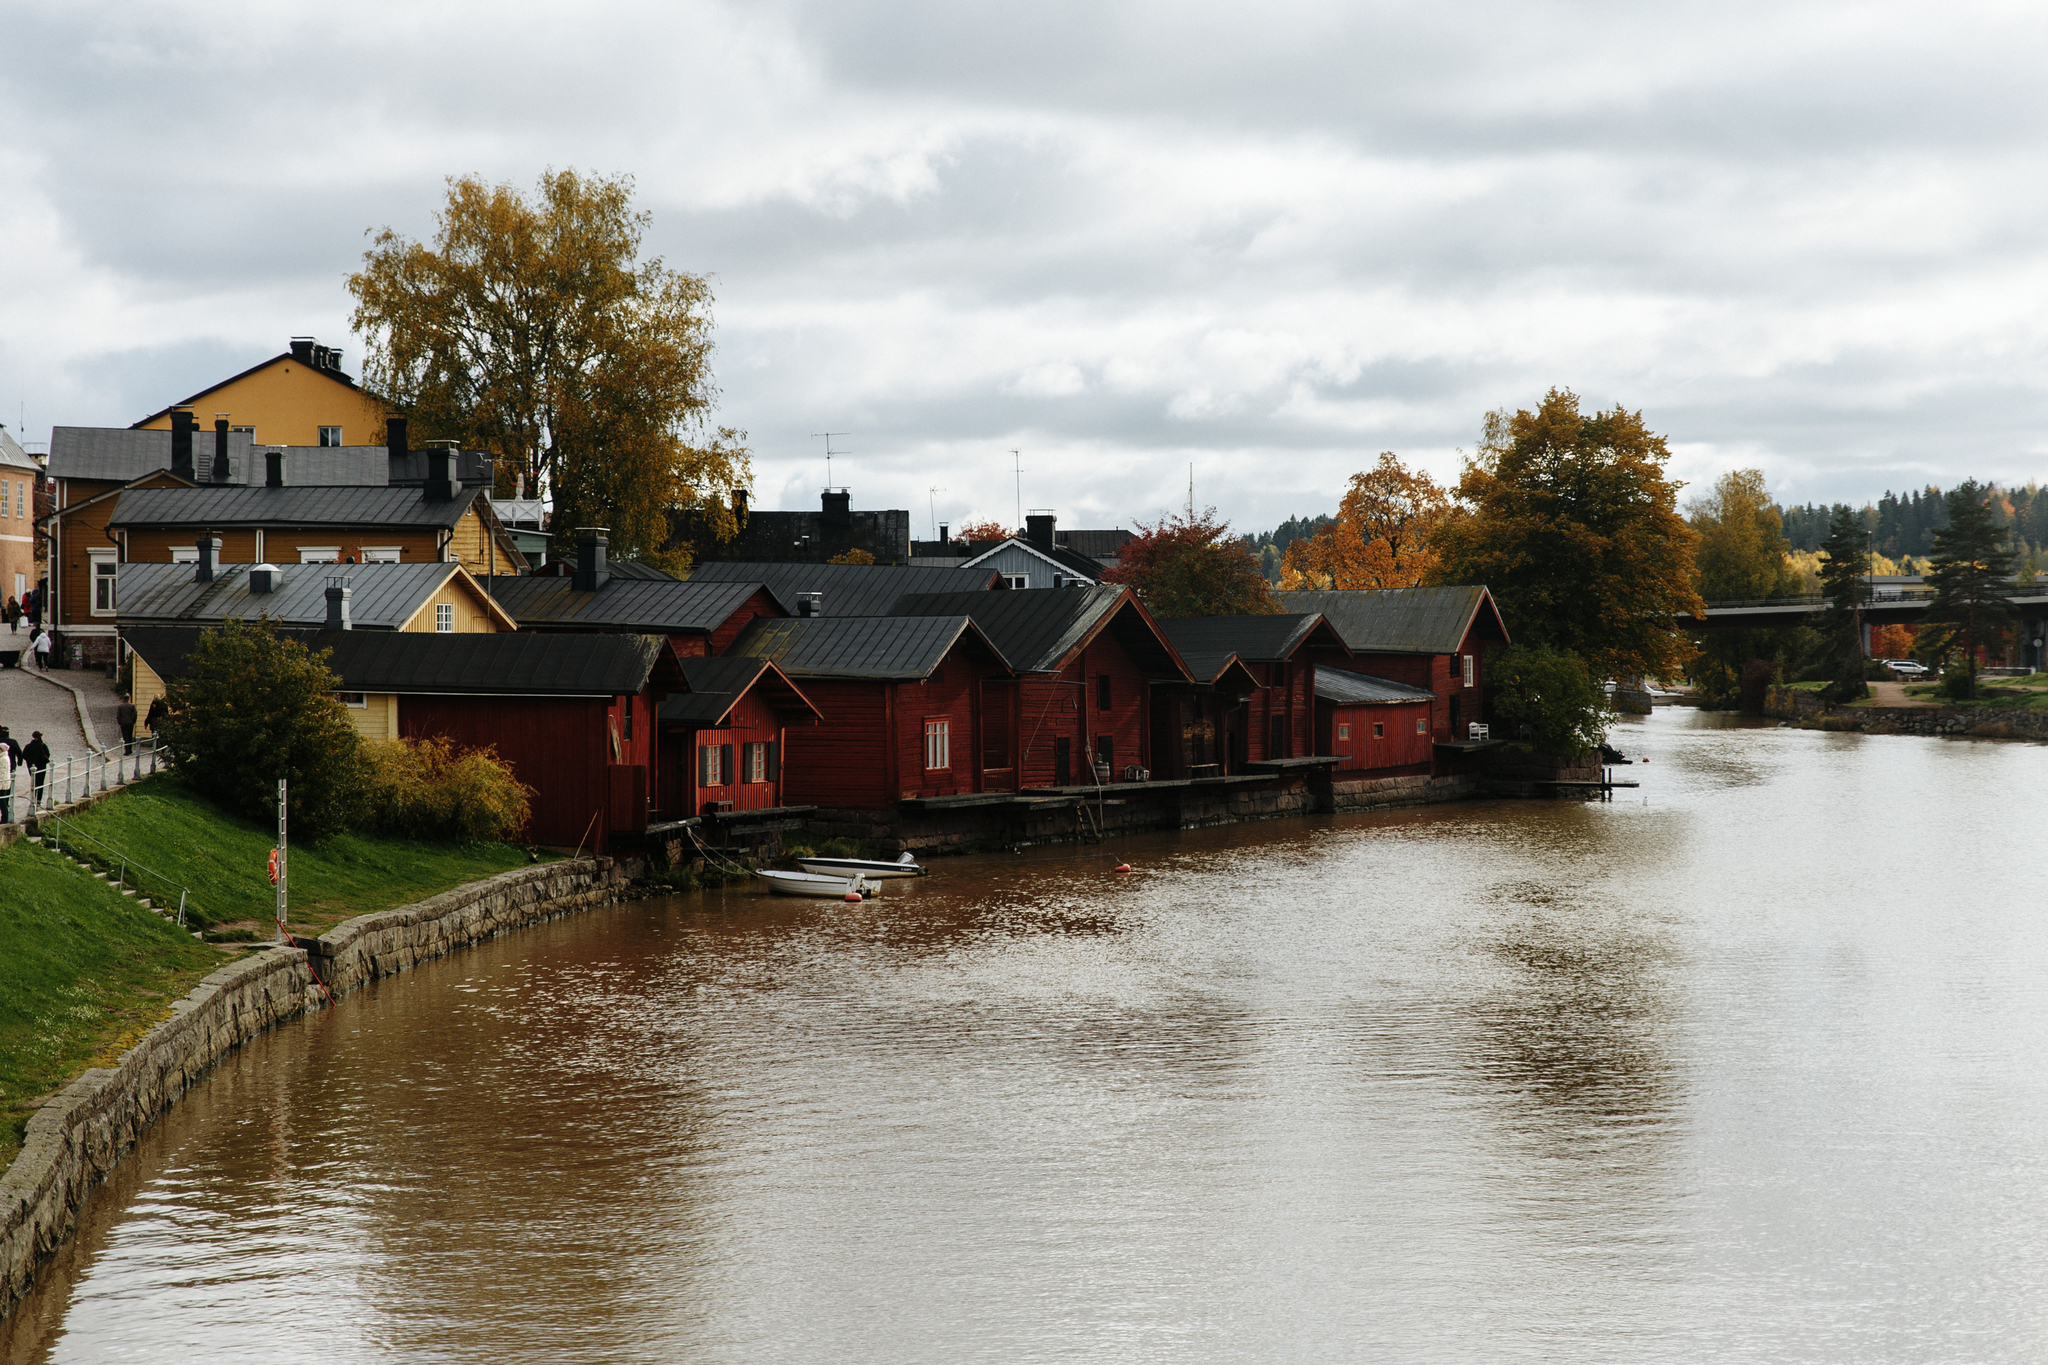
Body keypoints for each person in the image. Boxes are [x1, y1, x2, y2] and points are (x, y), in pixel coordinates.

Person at [22, 730, 49, 811]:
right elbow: (47, 755)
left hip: (31, 767)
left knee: (34, 782)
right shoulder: (43, 746)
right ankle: (39, 800)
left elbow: (24, 755)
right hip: (41, 766)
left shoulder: (28, 746)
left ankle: (33, 798)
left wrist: (30, 762)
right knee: (40, 783)